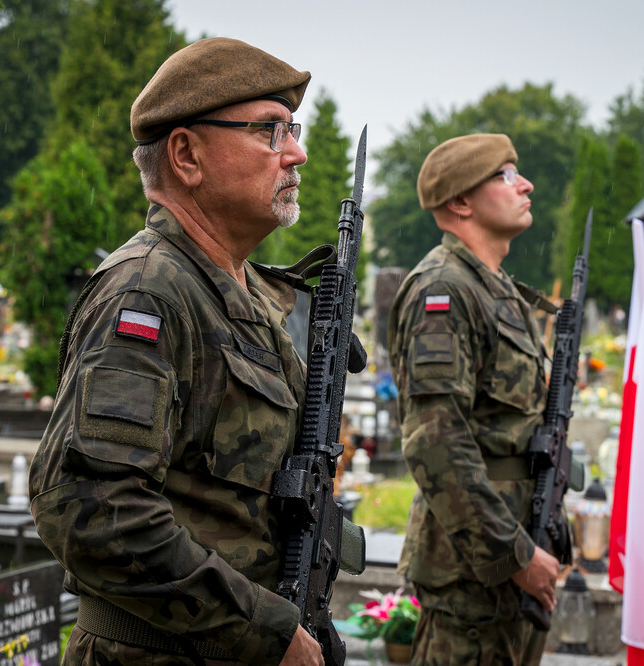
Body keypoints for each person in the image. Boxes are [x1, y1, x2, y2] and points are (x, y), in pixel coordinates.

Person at [28, 38, 324, 666]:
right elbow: (89, 508)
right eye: (270, 131)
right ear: (187, 155)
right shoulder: (149, 292)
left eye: (291, 129)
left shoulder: (239, 292)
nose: (296, 152)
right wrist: (261, 628)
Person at [388, 134, 560, 666]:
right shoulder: (443, 290)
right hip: (474, 567)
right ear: (461, 202)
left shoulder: (497, 287)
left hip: (519, 546)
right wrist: (512, 554)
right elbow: (436, 442)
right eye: (506, 175)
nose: (525, 184)